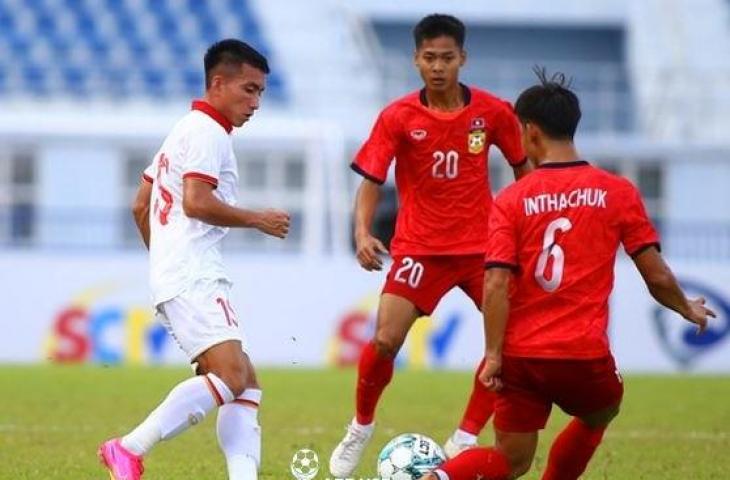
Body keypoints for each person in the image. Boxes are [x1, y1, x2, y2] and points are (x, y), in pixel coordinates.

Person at [421, 68, 715, 480]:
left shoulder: (510, 199)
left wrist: (492, 355)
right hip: (581, 353)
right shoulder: (617, 191)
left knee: (510, 459)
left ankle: (436, 477)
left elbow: (496, 282)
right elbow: (657, 275)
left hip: (520, 357)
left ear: (531, 131)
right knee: (603, 408)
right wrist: (686, 307)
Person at [329, 14, 531, 478]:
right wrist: (362, 232)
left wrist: (522, 224)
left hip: (483, 249)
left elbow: (524, 168)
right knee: (384, 340)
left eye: (447, 58)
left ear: (462, 58)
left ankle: (463, 436)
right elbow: (371, 181)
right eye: (429, 58)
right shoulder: (398, 116)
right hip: (419, 248)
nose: (438, 67)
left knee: (511, 339)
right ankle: (360, 426)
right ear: (416, 60)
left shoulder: (492, 112)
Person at [98, 39, 290, 480]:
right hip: (195, 275)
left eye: (261, 92)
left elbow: (139, 205)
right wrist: (257, 218)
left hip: (181, 273)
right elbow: (197, 202)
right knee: (231, 377)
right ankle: (128, 448)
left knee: (245, 384)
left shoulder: (184, 129)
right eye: (249, 89)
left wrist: (166, 259)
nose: (256, 102)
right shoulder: (209, 133)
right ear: (218, 83)